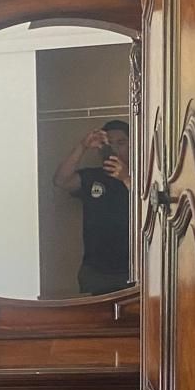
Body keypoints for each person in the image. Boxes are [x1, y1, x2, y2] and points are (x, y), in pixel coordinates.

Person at [53, 119, 131, 295]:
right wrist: (83, 146)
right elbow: (61, 181)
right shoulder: (93, 177)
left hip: (134, 269)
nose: (116, 149)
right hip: (95, 270)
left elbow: (151, 207)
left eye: (121, 143)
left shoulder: (144, 178)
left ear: (133, 145)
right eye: (109, 144)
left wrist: (126, 178)